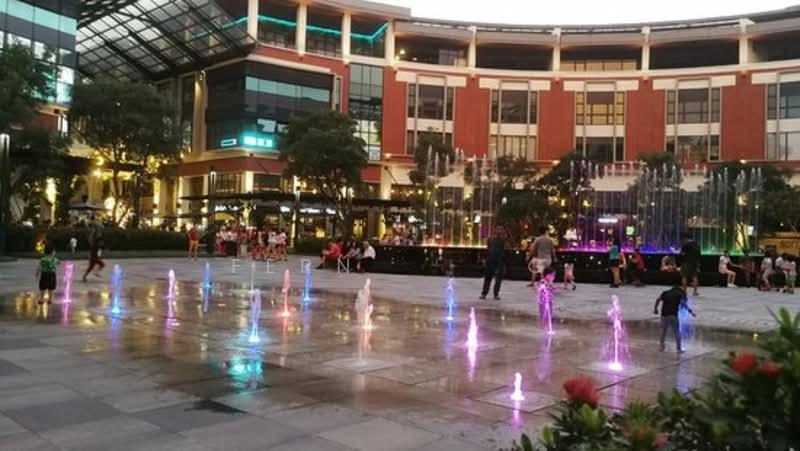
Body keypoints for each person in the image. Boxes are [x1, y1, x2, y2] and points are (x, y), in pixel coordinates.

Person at [653, 285, 695, 354]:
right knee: (676, 332)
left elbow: (658, 299)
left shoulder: (665, 293)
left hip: (664, 314)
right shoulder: (679, 294)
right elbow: (684, 304)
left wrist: (655, 309)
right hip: (673, 315)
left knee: (663, 331)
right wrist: (690, 311)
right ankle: (678, 349)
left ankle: (661, 347)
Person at [480, 225, 508, 301]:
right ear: (495, 230)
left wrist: (503, 262)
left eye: (501, 229)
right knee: (487, 278)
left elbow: (504, 252)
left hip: (499, 261)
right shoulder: (490, 239)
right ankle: (484, 293)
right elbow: (488, 250)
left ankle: (496, 294)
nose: (499, 231)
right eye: (498, 229)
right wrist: (485, 259)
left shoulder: (504, 240)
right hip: (490, 261)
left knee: (498, 279)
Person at [82, 218, 106, 282]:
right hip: (93, 256)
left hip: (93, 255)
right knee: (101, 264)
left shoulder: (95, 237)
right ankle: (95, 272)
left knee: (91, 267)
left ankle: (84, 276)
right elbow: (93, 236)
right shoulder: (95, 238)